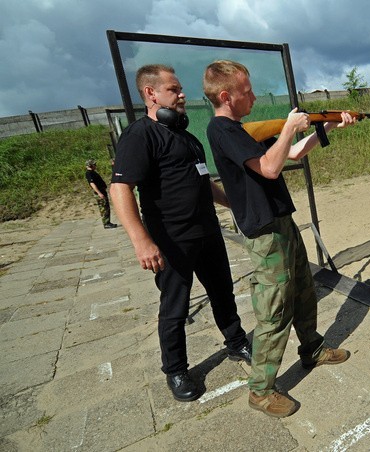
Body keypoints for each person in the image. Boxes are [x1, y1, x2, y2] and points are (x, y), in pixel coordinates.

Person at [203, 60, 356, 418]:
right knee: (273, 310)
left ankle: (313, 350)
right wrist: (289, 125)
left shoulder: (241, 129)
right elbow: (270, 169)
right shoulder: (222, 130)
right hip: (263, 232)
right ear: (226, 95)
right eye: (247, 91)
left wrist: (326, 127)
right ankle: (261, 390)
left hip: (281, 222)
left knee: (303, 288)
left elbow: (291, 153)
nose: (254, 97)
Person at [109, 64, 251, 402]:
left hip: (207, 232)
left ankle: (236, 342)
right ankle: (175, 370)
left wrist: (235, 205)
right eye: (174, 89)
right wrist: (142, 241)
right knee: (175, 307)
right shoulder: (140, 135)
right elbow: (120, 189)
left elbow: (204, 181)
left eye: (180, 88)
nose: (182, 94)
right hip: (172, 241)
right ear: (151, 94)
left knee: (222, 292)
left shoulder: (187, 138)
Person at [85, 159, 117, 229]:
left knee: (106, 207)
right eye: (94, 164)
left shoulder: (92, 172)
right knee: (104, 208)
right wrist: (99, 193)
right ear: (90, 165)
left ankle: (107, 222)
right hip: (99, 192)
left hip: (102, 191)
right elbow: (92, 184)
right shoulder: (89, 173)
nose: (95, 165)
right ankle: (106, 223)